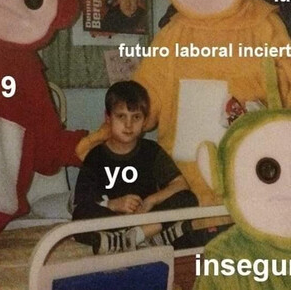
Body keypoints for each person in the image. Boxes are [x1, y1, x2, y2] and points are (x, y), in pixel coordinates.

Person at [72, 81, 198, 254]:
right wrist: (114, 204)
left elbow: (180, 185)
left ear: (145, 120)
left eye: (136, 117)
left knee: (188, 198)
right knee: (80, 214)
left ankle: (135, 237)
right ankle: (145, 238)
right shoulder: (96, 156)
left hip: (147, 218)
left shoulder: (151, 150)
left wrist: (150, 201)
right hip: (114, 221)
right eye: (121, 116)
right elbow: (81, 201)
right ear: (108, 118)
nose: (129, 125)